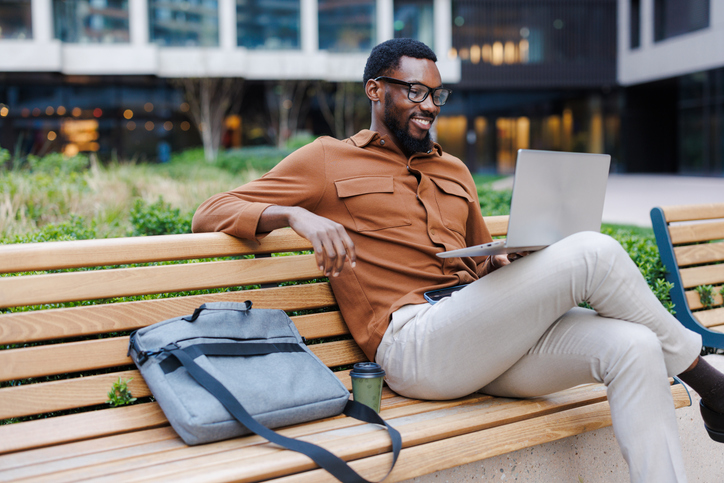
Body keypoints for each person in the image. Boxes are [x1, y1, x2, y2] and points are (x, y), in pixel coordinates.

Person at [192, 38, 724, 482]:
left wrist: (507, 262)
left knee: (632, 346)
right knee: (595, 250)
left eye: (437, 94)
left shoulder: (455, 171)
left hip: (479, 337)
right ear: (376, 90)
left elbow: (477, 270)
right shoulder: (327, 158)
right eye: (416, 91)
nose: (429, 105)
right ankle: (710, 384)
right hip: (415, 345)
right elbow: (212, 210)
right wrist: (297, 217)